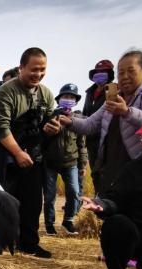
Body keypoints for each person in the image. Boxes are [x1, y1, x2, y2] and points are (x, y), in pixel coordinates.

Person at [0, 47, 57, 258]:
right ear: (21, 68)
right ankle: (0, 241)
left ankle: (29, 243)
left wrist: (52, 128)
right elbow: (1, 128)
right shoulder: (6, 91)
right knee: (5, 200)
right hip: (8, 153)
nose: (38, 74)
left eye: (42, 69)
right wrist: (17, 153)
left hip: (34, 154)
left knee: (33, 202)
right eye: (34, 69)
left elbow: (48, 121)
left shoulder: (45, 93)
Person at [60, 50, 142, 196]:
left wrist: (127, 112)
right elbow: (90, 124)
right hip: (111, 166)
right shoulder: (113, 97)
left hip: (137, 169)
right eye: (121, 73)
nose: (125, 77)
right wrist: (69, 121)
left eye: (131, 71)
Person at [81, 123, 142, 269]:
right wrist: (102, 205)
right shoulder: (133, 169)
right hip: (138, 237)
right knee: (117, 224)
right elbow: (115, 199)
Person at [42, 83, 87, 236]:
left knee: (74, 192)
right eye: (66, 96)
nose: (69, 99)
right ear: (59, 99)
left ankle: (68, 221)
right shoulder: (49, 116)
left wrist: (82, 166)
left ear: (75, 101)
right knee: (49, 195)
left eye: (72, 97)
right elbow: (42, 139)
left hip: (71, 163)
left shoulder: (78, 120)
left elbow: (82, 145)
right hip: (50, 163)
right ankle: (49, 224)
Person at [82, 59, 115, 192]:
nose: (100, 74)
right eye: (97, 72)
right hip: (91, 140)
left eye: (103, 72)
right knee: (95, 173)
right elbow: (86, 114)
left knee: (106, 173)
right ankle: (98, 200)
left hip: (106, 140)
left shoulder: (114, 90)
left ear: (110, 74)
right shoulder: (90, 92)